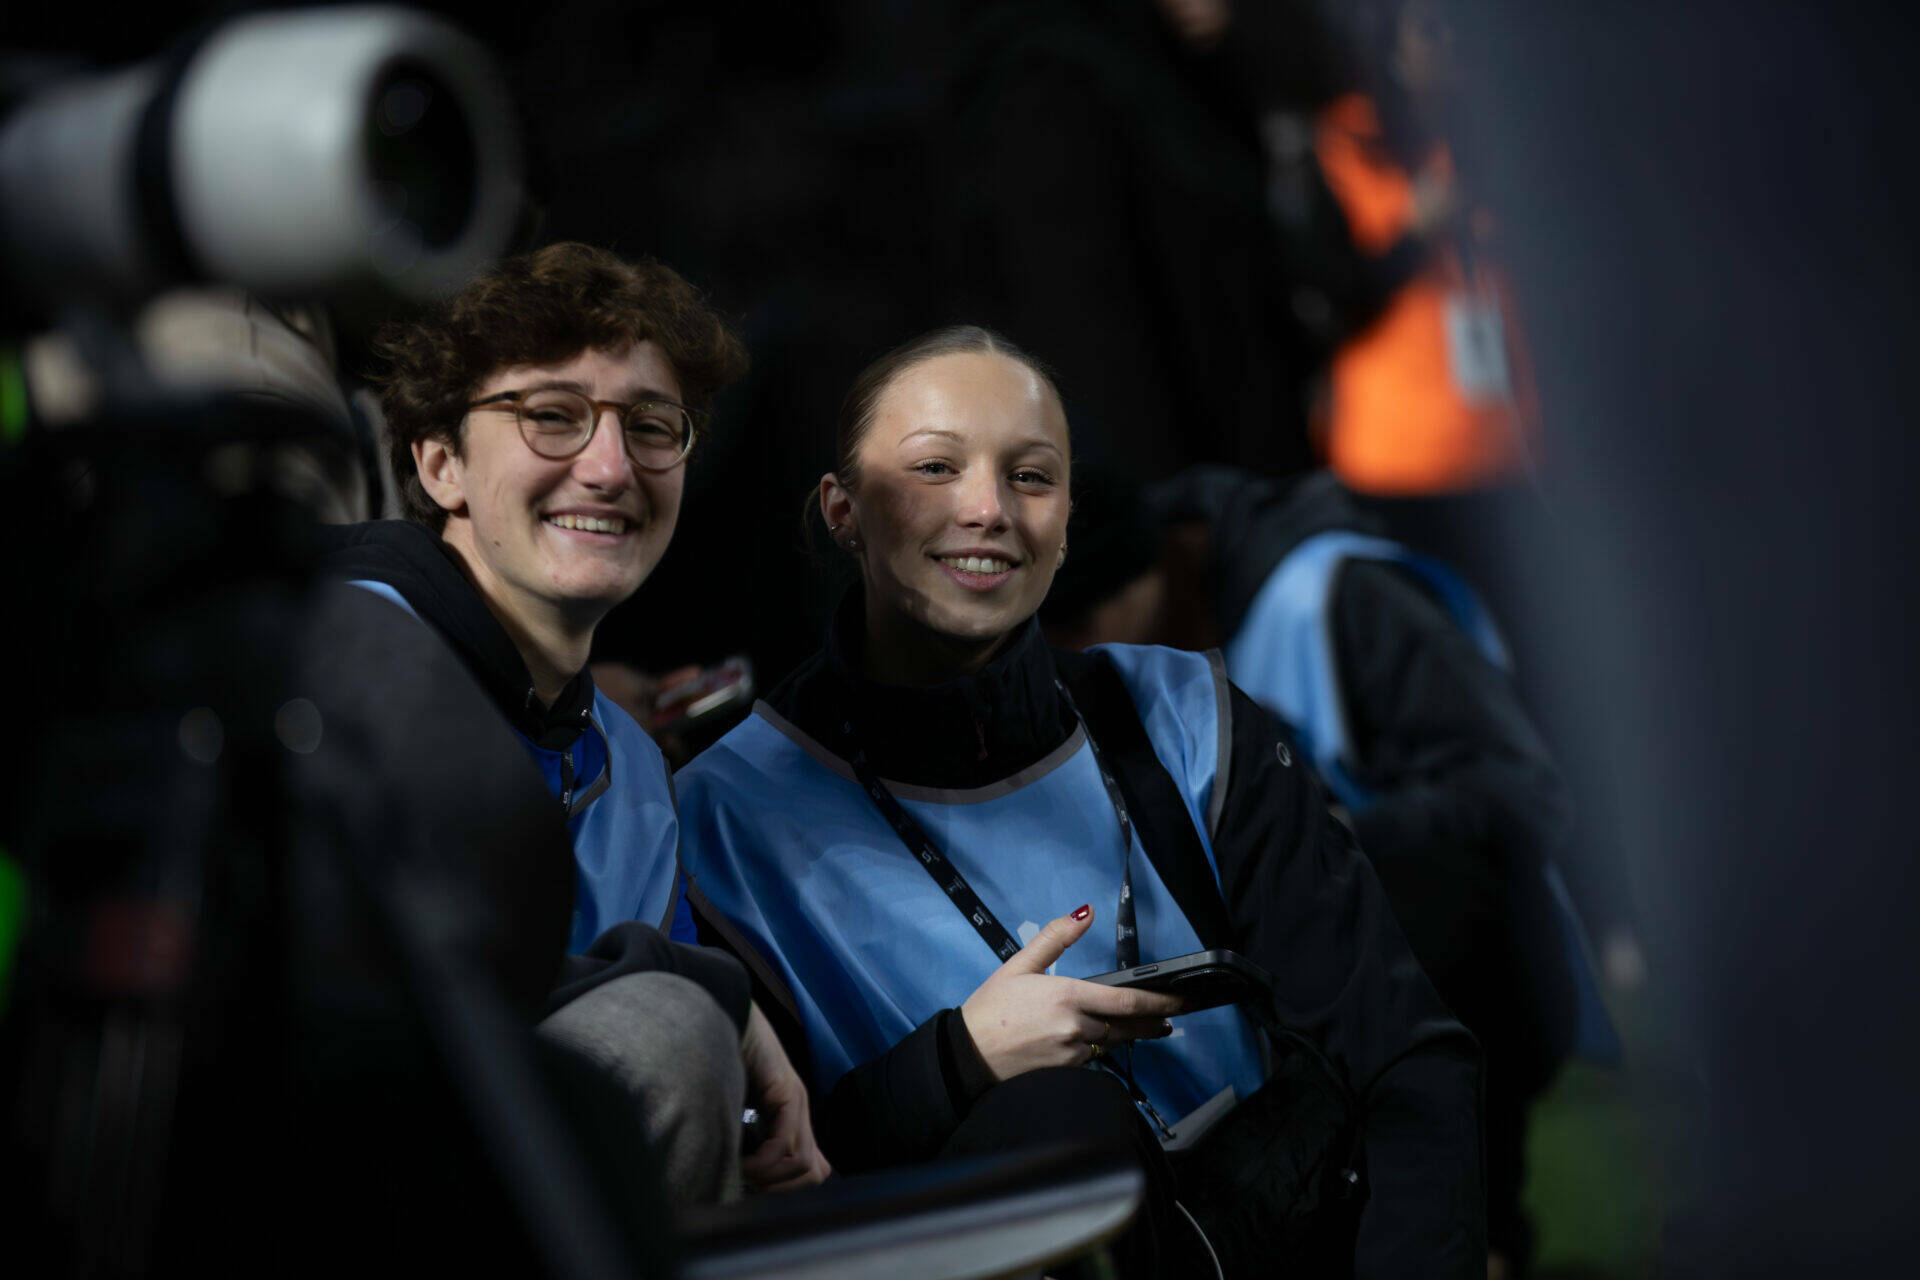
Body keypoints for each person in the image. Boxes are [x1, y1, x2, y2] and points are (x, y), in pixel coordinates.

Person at [675, 326, 1484, 1276]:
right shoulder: (721, 818)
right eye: (935, 467)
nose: (987, 508)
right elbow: (760, 1189)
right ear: (842, 512)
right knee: (1050, 1119)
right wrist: (960, 1061)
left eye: (1030, 477)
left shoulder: (1192, 719)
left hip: (1279, 1234)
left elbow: (1402, 1066)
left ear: (1065, 526)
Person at [322, 242, 829, 1203]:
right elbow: (391, 1029)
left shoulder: (629, 761)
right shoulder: (342, 661)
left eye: (651, 427)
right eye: (552, 417)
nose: (609, 466)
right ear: (440, 465)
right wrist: (714, 999)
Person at [1042, 461, 1600, 1278]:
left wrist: (1314, 828)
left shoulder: (1330, 592)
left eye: (1082, 619)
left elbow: (1524, 795)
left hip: (1467, 982)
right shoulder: (1144, 648)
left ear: (1148, 565)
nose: (1077, 653)